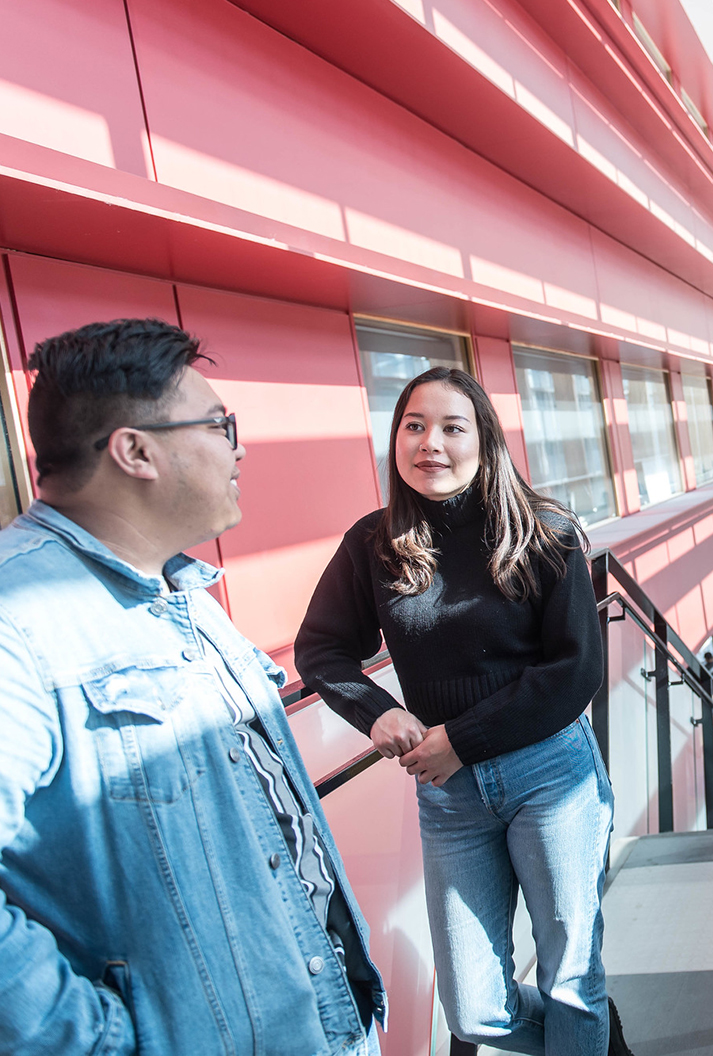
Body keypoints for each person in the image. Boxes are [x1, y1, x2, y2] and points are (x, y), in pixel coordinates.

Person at [0, 319, 385, 1054]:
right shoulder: (18, 620)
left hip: (326, 1021)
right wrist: (105, 1042)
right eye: (218, 424)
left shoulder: (179, 589)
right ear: (135, 451)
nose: (239, 447)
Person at [294, 367, 634, 1056]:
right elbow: (321, 650)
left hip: (552, 777)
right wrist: (376, 712)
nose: (431, 444)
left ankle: (586, 1024)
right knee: (475, 1012)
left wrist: (464, 738)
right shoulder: (374, 544)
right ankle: (594, 1035)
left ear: (485, 440)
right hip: (450, 797)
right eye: (414, 426)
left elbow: (576, 673)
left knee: (571, 978)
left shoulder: (543, 531)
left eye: (453, 427)